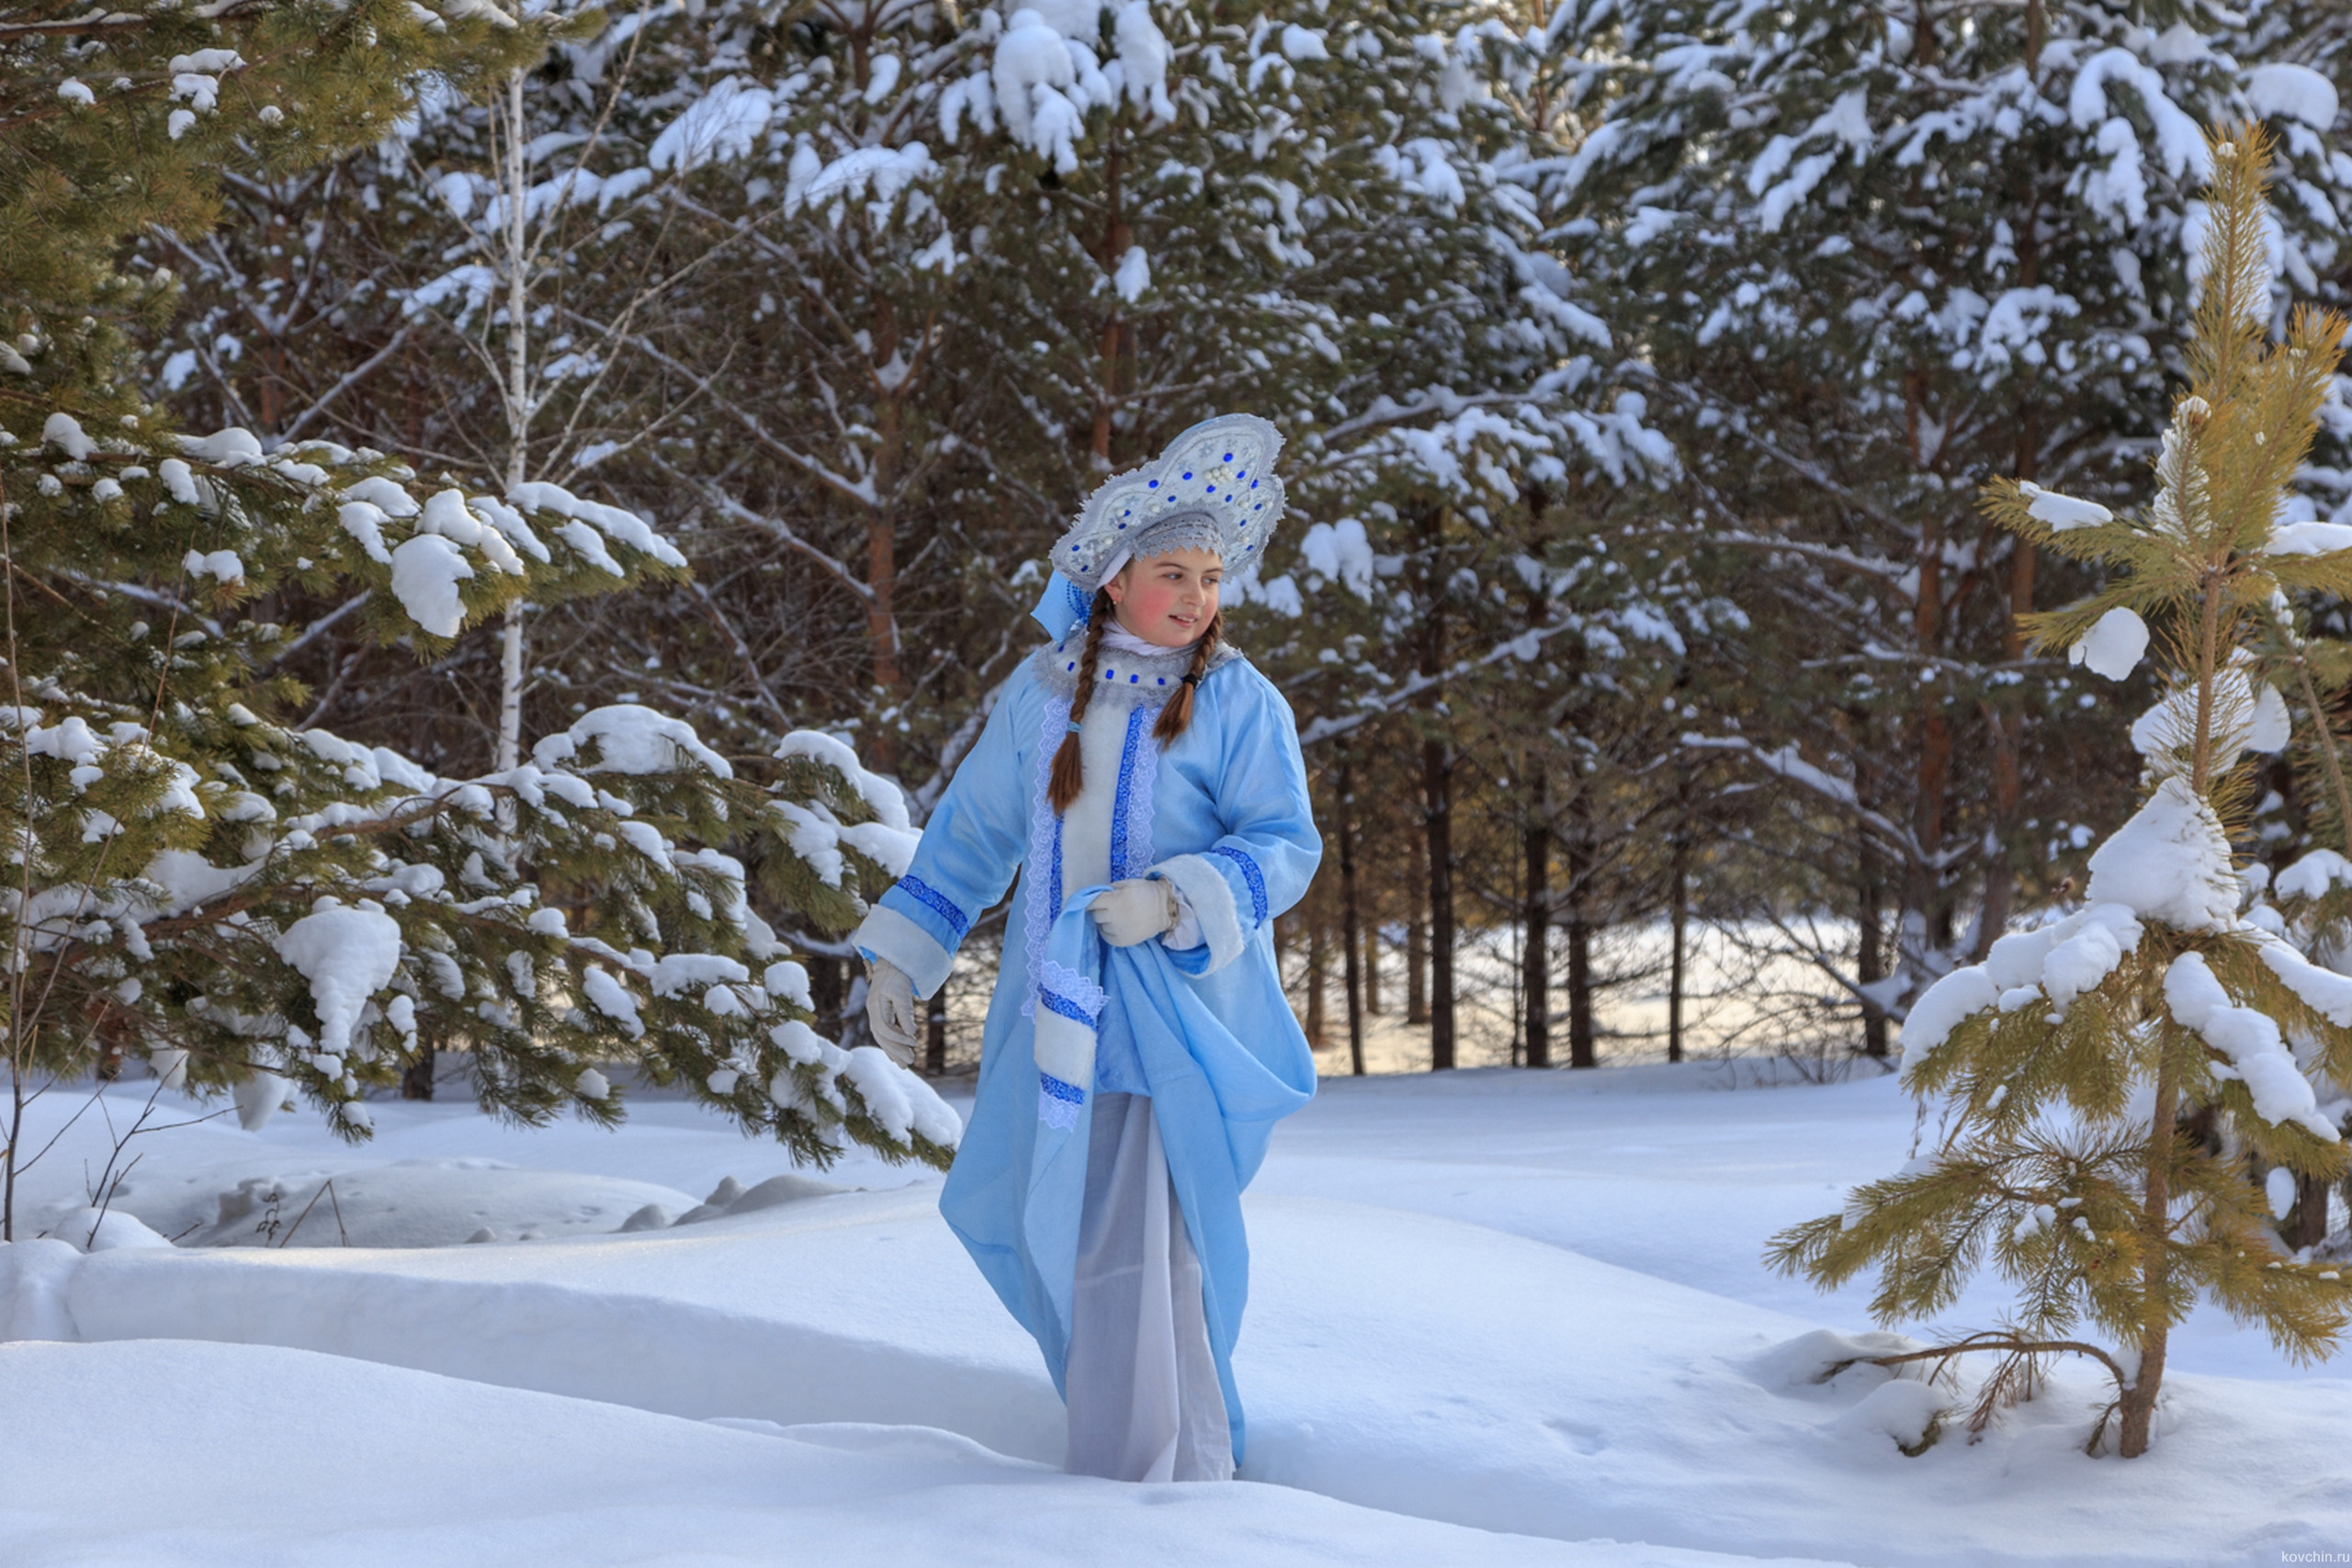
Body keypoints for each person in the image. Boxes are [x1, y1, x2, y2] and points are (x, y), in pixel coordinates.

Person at [852, 413, 1321, 1483]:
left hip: (1176, 1026)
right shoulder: (1038, 694)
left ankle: (1161, 1472)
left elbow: (1285, 844)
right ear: (1114, 579)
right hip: (1054, 1017)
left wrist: (1177, 898)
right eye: (1173, 572)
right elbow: (973, 832)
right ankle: (1125, 1457)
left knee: (1151, 1245)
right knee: (1054, 1228)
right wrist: (902, 954)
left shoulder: (1241, 702)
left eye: (1210, 574)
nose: (1197, 596)